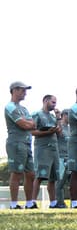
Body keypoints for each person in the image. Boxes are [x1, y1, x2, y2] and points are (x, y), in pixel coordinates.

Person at [5, 81, 36, 209]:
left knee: (31, 174)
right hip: (16, 143)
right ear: (15, 90)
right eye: (23, 90)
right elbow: (24, 124)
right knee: (16, 173)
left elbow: (32, 124)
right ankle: (13, 204)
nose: (25, 93)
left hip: (27, 143)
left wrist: (28, 124)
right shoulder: (10, 107)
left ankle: (29, 203)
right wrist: (28, 124)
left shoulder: (23, 109)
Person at [31, 94, 62, 209]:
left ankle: (53, 203)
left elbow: (60, 133)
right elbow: (32, 132)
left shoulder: (53, 117)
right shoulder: (37, 114)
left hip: (54, 149)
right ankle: (32, 202)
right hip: (42, 149)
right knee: (39, 176)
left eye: (55, 102)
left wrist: (58, 118)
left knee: (53, 178)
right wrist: (47, 132)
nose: (55, 105)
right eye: (53, 102)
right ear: (45, 101)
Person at [54, 109, 71, 208]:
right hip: (61, 158)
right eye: (69, 115)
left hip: (70, 158)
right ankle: (60, 203)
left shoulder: (70, 129)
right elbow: (59, 133)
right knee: (60, 183)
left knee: (73, 183)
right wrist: (58, 118)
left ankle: (76, 203)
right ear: (64, 115)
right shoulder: (60, 126)